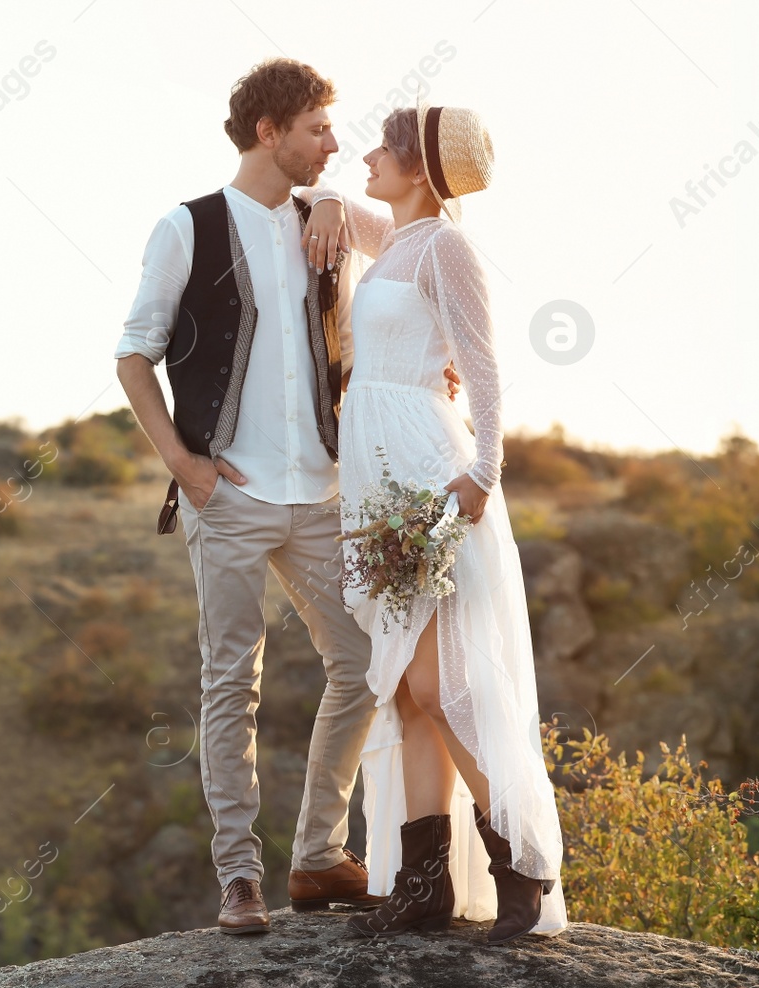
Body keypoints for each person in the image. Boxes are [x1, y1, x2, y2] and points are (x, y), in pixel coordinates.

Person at [113, 59, 457, 934]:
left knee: (363, 664)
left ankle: (314, 856)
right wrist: (186, 467)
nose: (333, 144)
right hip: (226, 494)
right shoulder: (184, 226)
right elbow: (132, 355)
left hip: (326, 491)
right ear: (268, 131)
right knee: (232, 682)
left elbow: (416, 266)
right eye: (316, 129)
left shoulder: (324, 219)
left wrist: (431, 364)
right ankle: (239, 878)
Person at [299, 102, 569, 943]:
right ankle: (424, 888)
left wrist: (481, 472)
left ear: (417, 167)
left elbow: (484, 371)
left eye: (383, 148)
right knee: (406, 697)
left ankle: (521, 861)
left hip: (427, 471)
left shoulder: (446, 246)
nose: (365, 158)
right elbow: (339, 207)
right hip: (379, 476)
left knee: (433, 684)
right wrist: (336, 202)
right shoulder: (403, 240)